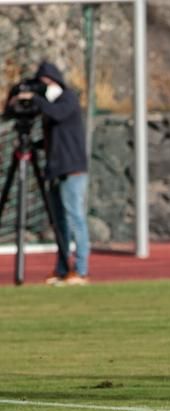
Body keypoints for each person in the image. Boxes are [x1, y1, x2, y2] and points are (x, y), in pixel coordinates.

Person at [10, 61, 90, 286]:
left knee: (75, 218)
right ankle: (63, 269)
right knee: (60, 222)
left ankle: (81, 271)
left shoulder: (67, 99)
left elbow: (58, 114)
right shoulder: (49, 106)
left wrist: (35, 99)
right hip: (55, 169)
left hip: (72, 169)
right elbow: (52, 138)